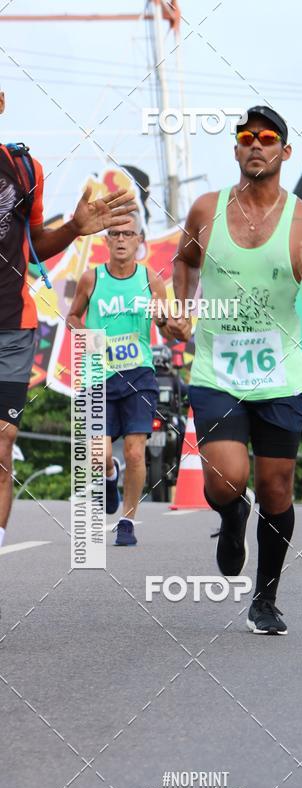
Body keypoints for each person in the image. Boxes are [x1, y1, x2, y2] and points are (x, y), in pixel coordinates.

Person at [173, 106, 302, 635]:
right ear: (236, 149)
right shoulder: (206, 209)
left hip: (281, 375)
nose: (255, 145)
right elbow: (185, 261)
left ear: (284, 151)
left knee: (276, 488)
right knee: (227, 481)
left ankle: (265, 599)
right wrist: (181, 307)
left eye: (267, 138)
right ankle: (231, 516)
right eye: (246, 137)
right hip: (217, 371)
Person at [0, 85, 135, 550]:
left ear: (1, 102)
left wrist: (76, 228)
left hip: (12, 328)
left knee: (2, 442)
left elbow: (36, 245)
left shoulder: (24, 169)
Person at [67, 214, 186, 545]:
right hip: (97, 374)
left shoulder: (151, 280)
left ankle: (127, 522)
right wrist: (86, 334)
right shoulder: (91, 279)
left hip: (139, 373)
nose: (121, 239)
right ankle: (109, 475)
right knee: (99, 454)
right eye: (115, 234)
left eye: (128, 234)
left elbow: (167, 328)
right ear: (106, 241)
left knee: (135, 452)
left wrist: (164, 321)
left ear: (139, 240)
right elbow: (72, 316)